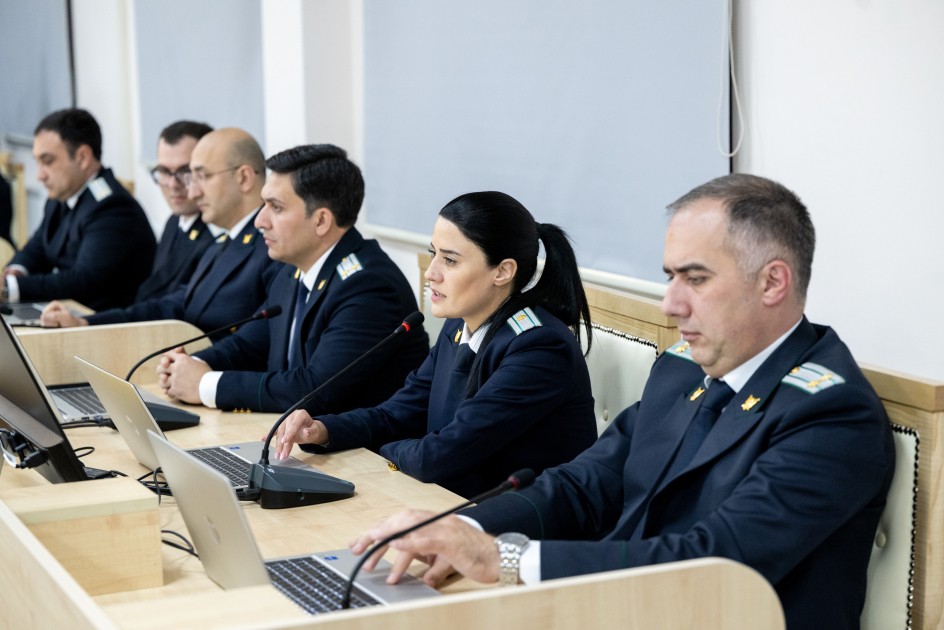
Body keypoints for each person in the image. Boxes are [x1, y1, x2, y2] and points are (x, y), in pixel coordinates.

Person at [347, 175, 895, 629]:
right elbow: (583, 486)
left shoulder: (831, 415)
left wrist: (504, 559)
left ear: (773, 281)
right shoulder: (682, 369)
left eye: (695, 279)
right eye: (670, 278)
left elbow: (715, 561)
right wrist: (466, 528)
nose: (670, 305)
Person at [273, 191, 598, 499]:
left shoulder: (539, 348)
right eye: (433, 255)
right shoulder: (460, 324)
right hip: (449, 503)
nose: (431, 273)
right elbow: (398, 414)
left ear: (502, 271)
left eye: (451, 261)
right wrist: (323, 429)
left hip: (515, 531)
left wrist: (387, 449)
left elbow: (439, 457)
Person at [155, 144, 429, 413]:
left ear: (321, 221)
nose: (260, 220)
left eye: (275, 207)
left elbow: (316, 389)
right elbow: (249, 344)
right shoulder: (291, 271)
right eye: (263, 205)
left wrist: (205, 384)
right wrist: (189, 363)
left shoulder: (369, 288)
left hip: (361, 454)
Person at [41, 128, 280, 340]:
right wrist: (86, 323)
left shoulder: (274, 247)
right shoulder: (223, 241)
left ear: (244, 178)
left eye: (202, 176)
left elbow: (256, 344)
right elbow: (173, 305)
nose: (192, 192)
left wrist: (195, 368)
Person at [3, 108, 156, 310]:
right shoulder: (64, 193)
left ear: (83, 157)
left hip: (103, 326)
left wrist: (10, 288)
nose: (40, 175)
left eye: (47, 161)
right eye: (37, 161)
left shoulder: (113, 207)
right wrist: (16, 272)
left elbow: (83, 280)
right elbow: (40, 244)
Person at [134, 120, 217, 301]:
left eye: (185, 171)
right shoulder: (174, 222)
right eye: (164, 171)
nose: (173, 184)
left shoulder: (218, 231)